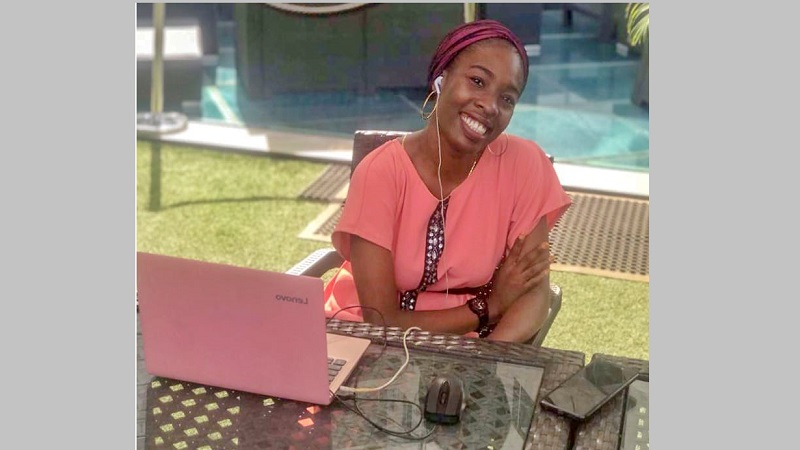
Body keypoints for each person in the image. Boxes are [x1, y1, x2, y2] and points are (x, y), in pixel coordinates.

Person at [323, 20, 572, 343]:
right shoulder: (380, 172)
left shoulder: (524, 165)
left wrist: (487, 357)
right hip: (362, 338)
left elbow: (533, 293)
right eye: (477, 81)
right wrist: (490, 306)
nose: (489, 106)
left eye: (507, 98)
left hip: (471, 346)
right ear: (441, 78)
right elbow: (380, 321)